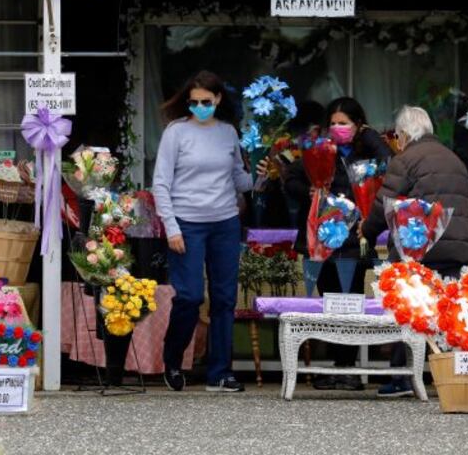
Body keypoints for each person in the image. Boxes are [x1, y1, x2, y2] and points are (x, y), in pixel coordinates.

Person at [361, 105, 468, 397]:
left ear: (402, 134)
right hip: (459, 247)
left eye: (396, 136)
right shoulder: (454, 159)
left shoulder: (406, 159)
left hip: (420, 246)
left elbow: (383, 205)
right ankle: (453, 372)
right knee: (449, 310)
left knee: (409, 308)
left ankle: (402, 377)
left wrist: (366, 231)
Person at [276, 97, 392, 390]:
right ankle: (335, 365)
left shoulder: (367, 150)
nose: (338, 128)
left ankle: (348, 368)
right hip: (323, 239)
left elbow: (390, 163)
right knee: (329, 303)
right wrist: (314, 191)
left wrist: (367, 134)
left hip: (354, 239)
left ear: (358, 125)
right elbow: (290, 181)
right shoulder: (320, 150)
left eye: (345, 123)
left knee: (351, 301)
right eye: (334, 123)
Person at [153, 70, 253, 393]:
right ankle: (172, 359)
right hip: (186, 223)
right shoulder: (176, 132)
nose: (199, 107)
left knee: (224, 299)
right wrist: (171, 227)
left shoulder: (228, 133)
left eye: (205, 102)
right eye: (193, 102)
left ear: (218, 99)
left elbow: (240, 180)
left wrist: (265, 173)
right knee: (190, 296)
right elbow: (161, 184)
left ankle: (220, 372)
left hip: (225, 223)